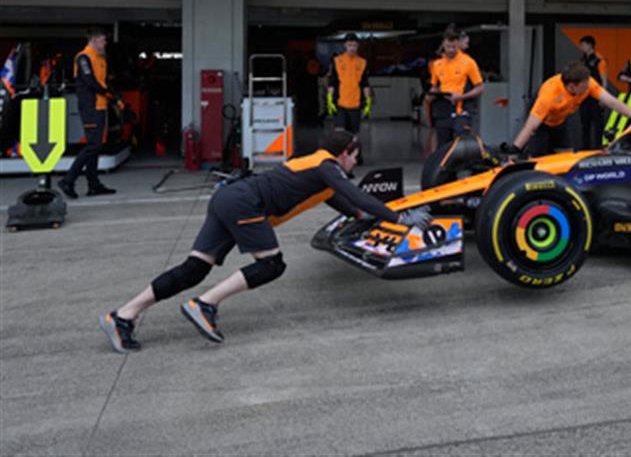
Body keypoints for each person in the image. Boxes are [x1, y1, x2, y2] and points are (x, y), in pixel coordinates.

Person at [98, 130, 432, 352]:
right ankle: (205, 304)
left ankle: (123, 316)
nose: (355, 163)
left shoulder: (318, 174)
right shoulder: (326, 165)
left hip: (229, 199)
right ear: (344, 153)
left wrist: (388, 216)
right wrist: (399, 218)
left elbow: (355, 209)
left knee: (194, 268)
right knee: (272, 264)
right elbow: (357, 194)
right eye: (355, 156)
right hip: (245, 204)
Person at [511, 62, 631, 157]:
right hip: (541, 123)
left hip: (560, 120)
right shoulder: (549, 95)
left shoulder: (588, 83)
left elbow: (611, 101)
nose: (587, 89)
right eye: (584, 87)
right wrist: (515, 150)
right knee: (537, 158)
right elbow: (531, 126)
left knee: (566, 156)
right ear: (572, 86)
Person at [58, 28, 115, 199]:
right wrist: (107, 92)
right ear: (94, 40)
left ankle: (93, 185)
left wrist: (112, 94)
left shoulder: (100, 58)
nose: (105, 44)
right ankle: (68, 180)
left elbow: (103, 81)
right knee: (93, 145)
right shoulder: (83, 57)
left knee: (96, 145)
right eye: (103, 40)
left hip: (100, 105)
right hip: (90, 106)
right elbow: (90, 82)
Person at [429, 27, 485, 146]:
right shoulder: (437, 65)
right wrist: (431, 95)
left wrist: (461, 96)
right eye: (448, 46)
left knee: (461, 146)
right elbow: (434, 86)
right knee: (442, 147)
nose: (451, 50)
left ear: (458, 44)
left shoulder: (468, 62)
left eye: (454, 47)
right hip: (443, 111)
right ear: (443, 44)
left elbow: (480, 88)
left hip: (462, 111)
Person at [326, 33, 370, 138]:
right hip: (340, 103)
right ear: (345, 45)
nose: (352, 48)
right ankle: (341, 149)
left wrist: (368, 101)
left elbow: (365, 83)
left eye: (354, 45)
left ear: (358, 46)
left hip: (356, 104)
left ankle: (352, 148)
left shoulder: (362, 62)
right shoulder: (337, 61)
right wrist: (329, 98)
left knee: (353, 135)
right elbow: (332, 81)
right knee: (340, 133)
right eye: (349, 45)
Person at [578, 36, 608, 149]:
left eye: (583, 45)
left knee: (598, 125)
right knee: (585, 125)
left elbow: (604, 79)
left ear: (590, 45)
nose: (581, 47)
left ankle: (597, 148)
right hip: (583, 97)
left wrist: (603, 98)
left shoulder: (599, 60)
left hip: (596, 96)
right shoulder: (582, 60)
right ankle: (585, 149)